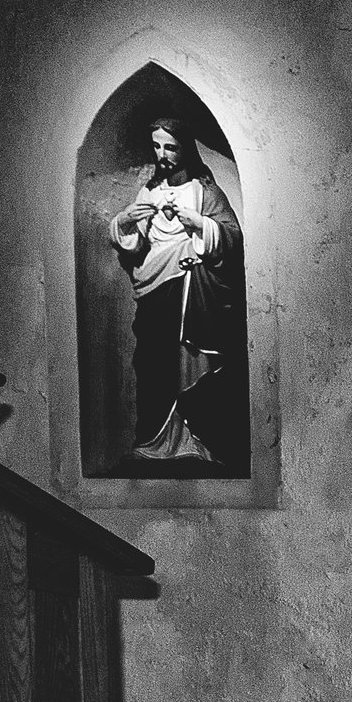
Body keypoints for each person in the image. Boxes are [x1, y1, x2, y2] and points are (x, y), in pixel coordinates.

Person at [107, 118, 246, 467]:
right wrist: (124, 221)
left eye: (170, 147)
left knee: (192, 360)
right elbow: (136, 247)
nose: (162, 154)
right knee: (153, 363)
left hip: (192, 289)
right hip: (154, 290)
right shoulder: (149, 192)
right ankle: (155, 441)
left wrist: (200, 224)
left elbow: (231, 237)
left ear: (185, 148)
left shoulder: (205, 192)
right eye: (156, 147)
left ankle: (198, 442)